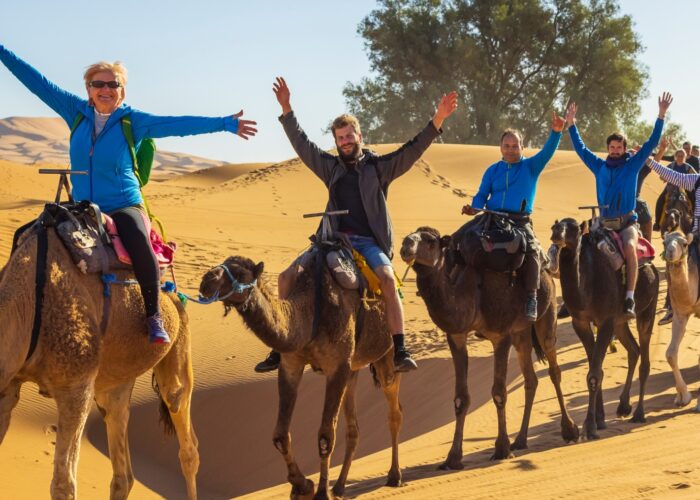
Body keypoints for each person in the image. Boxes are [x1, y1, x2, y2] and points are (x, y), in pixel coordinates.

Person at [0, 44, 257, 343]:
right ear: (88, 89)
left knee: (138, 240)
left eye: (113, 84)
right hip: (81, 205)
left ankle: (153, 315)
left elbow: (179, 125)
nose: (105, 89)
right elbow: (35, 81)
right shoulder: (76, 113)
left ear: (123, 91)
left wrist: (225, 123)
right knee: (29, 236)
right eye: (99, 84)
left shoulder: (132, 122)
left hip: (122, 204)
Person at [254, 77, 457, 373]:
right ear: (336, 142)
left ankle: (400, 348)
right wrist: (287, 109)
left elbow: (412, 150)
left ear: (359, 136)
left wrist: (438, 119)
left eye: (349, 136)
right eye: (340, 139)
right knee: (285, 278)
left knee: (388, 281)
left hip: (367, 242)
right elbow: (303, 145)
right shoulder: (330, 167)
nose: (345, 142)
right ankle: (280, 346)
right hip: (331, 241)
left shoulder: (379, 168)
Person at [564, 92, 672, 319]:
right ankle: (574, 298)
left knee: (630, 249)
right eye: (612, 147)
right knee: (576, 248)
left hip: (626, 223)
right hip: (602, 222)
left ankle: (630, 296)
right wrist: (572, 125)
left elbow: (651, 143)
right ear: (608, 148)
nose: (615, 150)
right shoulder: (599, 166)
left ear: (624, 149)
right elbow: (581, 149)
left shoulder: (632, 165)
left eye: (618, 147)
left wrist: (661, 115)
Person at [460, 113, 565, 321]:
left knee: (532, 250)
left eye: (515, 146)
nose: (510, 150)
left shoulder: (531, 167)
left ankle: (532, 297)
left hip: (519, 221)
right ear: (500, 147)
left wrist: (556, 132)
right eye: (507, 145)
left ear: (522, 148)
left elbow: (548, 151)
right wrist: (474, 208)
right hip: (490, 218)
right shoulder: (493, 170)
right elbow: (482, 194)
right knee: (458, 240)